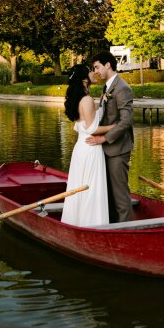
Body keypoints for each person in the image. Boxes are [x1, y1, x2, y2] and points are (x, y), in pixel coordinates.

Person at [60, 64, 113, 227]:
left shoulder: (77, 98)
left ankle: (76, 223)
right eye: (91, 71)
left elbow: (81, 126)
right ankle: (92, 224)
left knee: (80, 186)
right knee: (92, 188)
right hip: (90, 148)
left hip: (80, 148)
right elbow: (91, 129)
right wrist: (115, 127)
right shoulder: (86, 99)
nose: (94, 73)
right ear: (84, 78)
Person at [87, 50, 135, 223]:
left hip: (118, 149)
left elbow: (126, 121)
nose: (96, 72)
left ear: (108, 65)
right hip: (106, 151)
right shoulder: (106, 87)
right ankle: (113, 229)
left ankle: (128, 231)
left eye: (97, 67)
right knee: (108, 196)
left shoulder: (122, 88)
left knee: (120, 196)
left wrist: (103, 138)